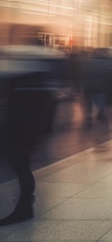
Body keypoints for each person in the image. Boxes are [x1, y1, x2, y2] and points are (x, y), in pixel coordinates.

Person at [0, 29, 66, 225]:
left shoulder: (18, 73)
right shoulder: (42, 74)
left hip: (18, 125)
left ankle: (24, 205)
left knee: (19, 163)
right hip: (30, 127)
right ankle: (25, 203)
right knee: (21, 164)